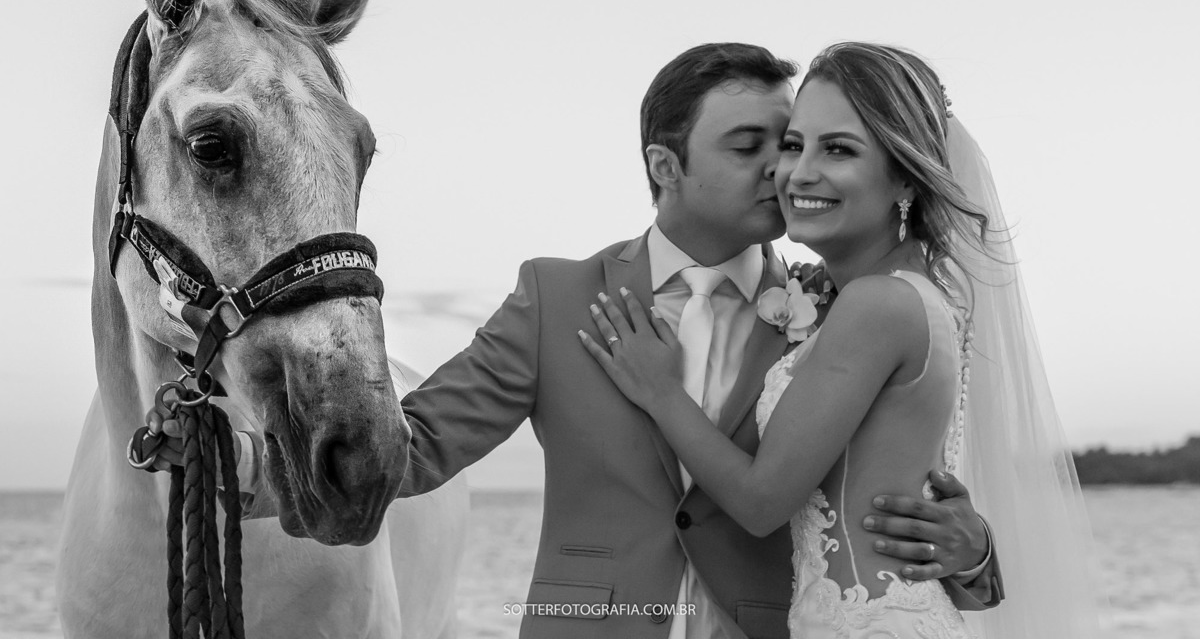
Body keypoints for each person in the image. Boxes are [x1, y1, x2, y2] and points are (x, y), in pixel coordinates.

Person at [153, 43, 1003, 638]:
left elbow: (893, 495)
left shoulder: (831, 308)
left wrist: (975, 556)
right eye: (753, 147)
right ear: (666, 168)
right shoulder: (558, 298)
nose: (783, 171)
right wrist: (240, 466)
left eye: (786, 145)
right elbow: (421, 446)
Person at [580, 43, 1097, 638]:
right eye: (794, 145)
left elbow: (760, 500)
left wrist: (661, 391)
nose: (798, 173)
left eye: (840, 149)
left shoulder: (877, 304)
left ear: (905, 175)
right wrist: (974, 550)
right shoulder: (915, 294)